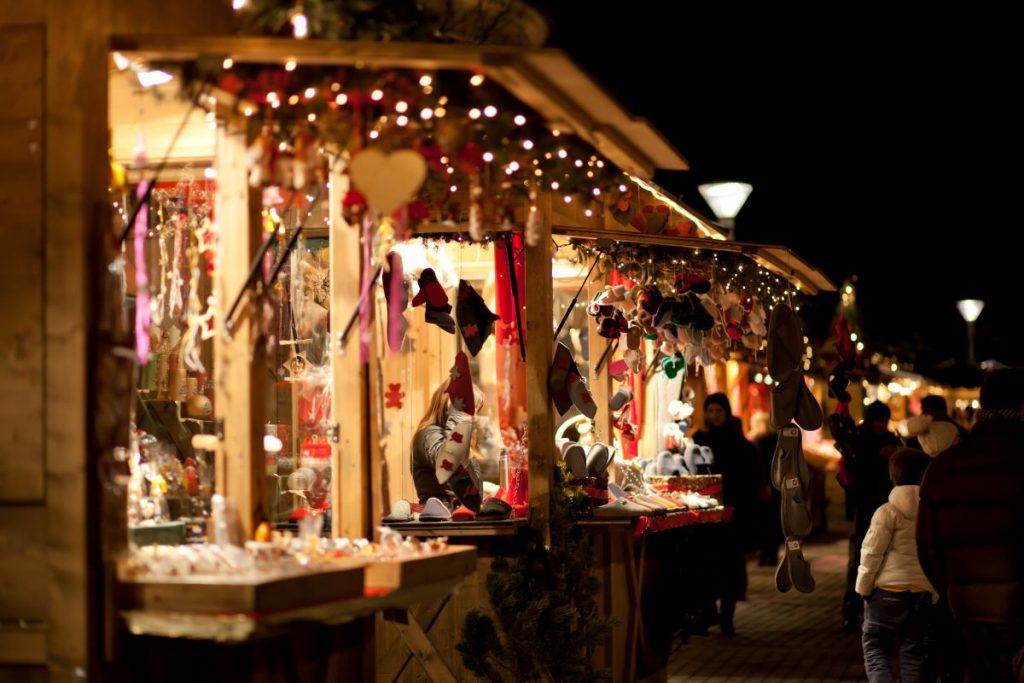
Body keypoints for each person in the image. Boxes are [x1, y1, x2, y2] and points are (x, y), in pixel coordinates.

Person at [918, 369, 1024, 683]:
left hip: (966, 610)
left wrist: (953, 588)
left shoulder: (943, 467)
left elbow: (927, 547)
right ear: (1021, 407)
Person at [857, 447, 935, 683]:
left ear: (893, 477)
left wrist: (863, 588)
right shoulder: (931, 512)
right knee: (913, 653)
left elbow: (871, 554)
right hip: (922, 595)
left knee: (875, 647)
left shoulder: (886, 512)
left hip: (887, 593)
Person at [694, 393, 759, 636]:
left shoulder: (739, 443)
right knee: (706, 567)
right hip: (707, 518)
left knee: (730, 568)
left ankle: (727, 620)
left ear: (726, 412)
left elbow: (750, 478)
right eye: (710, 410)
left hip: (732, 517)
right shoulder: (699, 441)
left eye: (718, 411)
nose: (714, 415)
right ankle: (707, 614)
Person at [843, 401, 902, 631]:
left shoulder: (890, 439)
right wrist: (879, 456)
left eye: (884, 420)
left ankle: (871, 610)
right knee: (861, 559)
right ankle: (852, 609)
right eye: (878, 420)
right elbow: (854, 473)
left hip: (884, 506)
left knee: (879, 559)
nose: (882, 425)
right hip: (865, 507)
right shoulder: (858, 440)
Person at [412, 378, 485, 511]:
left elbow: (473, 490)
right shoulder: (428, 434)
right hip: (439, 522)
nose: (473, 415)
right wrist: (460, 415)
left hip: (456, 517)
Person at [749, 412, 783, 567]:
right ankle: (772, 554)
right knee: (774, 521)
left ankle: (764, 554)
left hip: (761, 486)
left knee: (762, 521)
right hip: (776, 486)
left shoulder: (757, 442)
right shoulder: (777, 440)